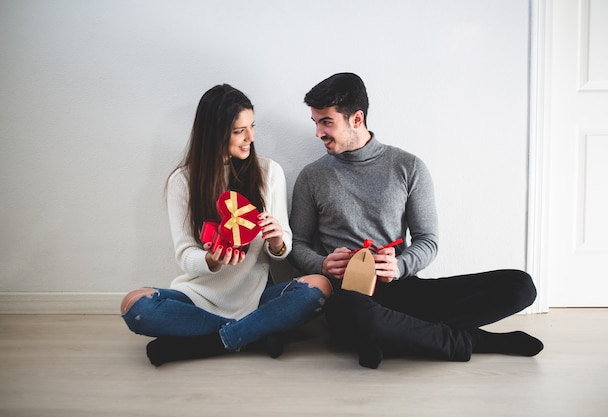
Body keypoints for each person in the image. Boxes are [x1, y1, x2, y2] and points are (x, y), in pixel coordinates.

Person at [288, 72, 543, 369]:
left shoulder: (408, 167)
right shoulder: (312, 176)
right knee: (356, 312)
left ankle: (385, 338)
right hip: (350, 295)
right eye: (316, 122)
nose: (318, 132)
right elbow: (297, 244)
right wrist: (322, 264)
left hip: (403, 288)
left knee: (520, 286)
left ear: (356, 119)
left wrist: (399, 266)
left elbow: (428, 241)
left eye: (326, 122)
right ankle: (474, 341)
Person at [121, 84, 332, 366]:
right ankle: (255, 333)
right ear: (214, 134)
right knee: (134, 305)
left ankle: (206, 344)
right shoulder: (182, 181)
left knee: (319, 287)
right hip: (198, 297)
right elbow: (185, 255)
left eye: (252, 126)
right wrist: (210, 260)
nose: (250, 138)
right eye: (238, 131)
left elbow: (282, 249)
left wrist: (277, 240)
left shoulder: (269, 172)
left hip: (256, 298)